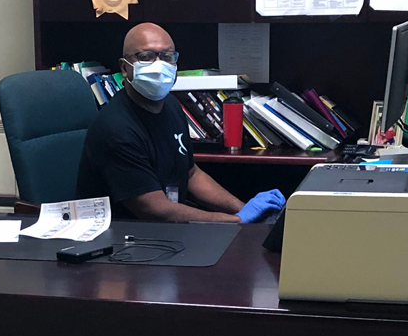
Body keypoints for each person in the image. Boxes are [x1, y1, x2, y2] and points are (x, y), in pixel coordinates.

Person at [76, 23, 285, 223]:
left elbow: (190, 173)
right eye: (146, 56)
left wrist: (244, 209)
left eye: (167, 57)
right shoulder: (116, 128)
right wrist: (235, 221)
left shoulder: (170, 106)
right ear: (124, 67)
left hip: (166, 231)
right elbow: (155, 210)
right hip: (124, 239)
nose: (159, 65)